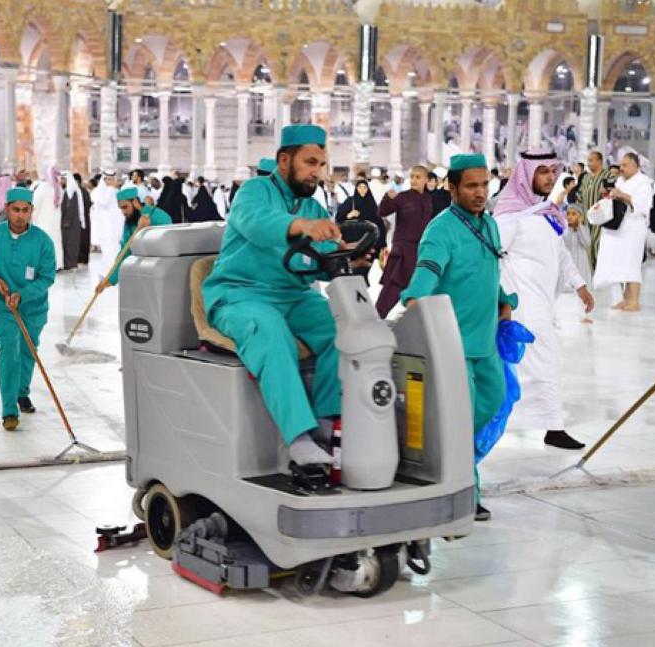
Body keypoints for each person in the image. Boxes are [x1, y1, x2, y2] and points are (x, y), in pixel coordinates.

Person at [202, 124, 365, 467]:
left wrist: (346, 257)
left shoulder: (314, 207)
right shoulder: (254, 192)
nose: (315, 173)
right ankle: (298, 437)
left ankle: (325, 422)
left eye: (320, 165)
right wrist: (302, 227)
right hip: (240, 295)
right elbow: (258, 223)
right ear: (284, 160)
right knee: (271, 332)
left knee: (345, 327)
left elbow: (318, 261)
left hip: (294, 295)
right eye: (309, 163)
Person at [400, 153, 518, 521]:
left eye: (484, 185)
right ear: (451, 188)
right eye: (471, 186)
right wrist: (415, 299)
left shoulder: (489, 225)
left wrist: (503, 302)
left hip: (484, 341)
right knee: (460, 417)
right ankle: (467, 492)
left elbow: (491, 269)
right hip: (452, 348)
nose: (480, 193)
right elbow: (426, 274)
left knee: (492, 403)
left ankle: (452, 469)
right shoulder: (441, 230)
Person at [494, 151, 594, 451]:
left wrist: (580, 285)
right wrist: (504, 302)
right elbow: (493, 258)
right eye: (543, 172)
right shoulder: (509, 216)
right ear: (527, 176)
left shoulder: (546, 212)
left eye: (554, 170)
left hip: (544, 302)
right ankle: (544, 425)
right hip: (521, 305)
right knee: (532, 366)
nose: (551, 177)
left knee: (543, 364)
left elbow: (560, 253)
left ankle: (551, 425)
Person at [0, 187, 56, 431]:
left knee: (28, 352)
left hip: (34, 308)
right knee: (9, 351)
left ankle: (22, 392)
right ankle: (9, 409)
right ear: (6, 210)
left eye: (25, 210)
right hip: (3, 306)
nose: (20, 216)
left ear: (31, 211)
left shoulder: (43, 241)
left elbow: (47, 277)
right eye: (16, 210)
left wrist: (24, 295)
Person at [592, 152, 653, 311]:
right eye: (621, 165)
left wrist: (621, 195)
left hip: (633, 228)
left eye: (625, 165)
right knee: (618, 263)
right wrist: (608, 194)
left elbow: (641, 207)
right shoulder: (619, 181)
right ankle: (624, 299)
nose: (622, 168)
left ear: (636, 166)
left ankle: (634, 300)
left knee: (631, 263)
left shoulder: (644, 183)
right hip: (617, 228)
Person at [375, 165, 435, 318]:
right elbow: (382, 212)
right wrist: (388, 197)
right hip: (402, 251)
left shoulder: (428, 199)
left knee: (419, 288)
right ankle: (375, 320)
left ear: (426, 180)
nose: (414, 180)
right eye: (412, 176)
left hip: (420, 251)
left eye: (418, 177)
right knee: (392, 289)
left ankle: (416, 326)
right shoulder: (402, 197)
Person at [105, 187, 173, 289]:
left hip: (161, 270)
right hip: (140, 270)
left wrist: (144, 230)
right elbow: (125, 251)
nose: (123, 212)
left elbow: (168, 246)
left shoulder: (159, 216)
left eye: (125, 207)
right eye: (121, 208)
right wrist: (109, 280)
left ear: (135, 202)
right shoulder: (130, 222)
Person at [576, 151, 613, 270]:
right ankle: (590, 272)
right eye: (588, 160)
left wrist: (607, 191)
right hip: (587, 219)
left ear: (600, 161)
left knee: (598, 245)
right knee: (587, 245)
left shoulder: (608, 176)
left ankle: (601, 271)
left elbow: (615, 192)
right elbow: (580, 195)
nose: (589, 163)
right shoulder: (586, 178)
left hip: (601, 219)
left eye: (591, 160)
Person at [89, 170, 124, 273]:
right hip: (104, 224)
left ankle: (113, 269)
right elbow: (102, 202)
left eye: (111, 179)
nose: (109, 181)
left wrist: (112, 188)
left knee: (113, 247)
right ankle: (109, 270)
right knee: (107, 248)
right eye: (107, 179)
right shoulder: (101, 191)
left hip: (114, 224)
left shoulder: (114, 190)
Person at [32, 167, 64, 270]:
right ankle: (57, 264)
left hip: (44, 220)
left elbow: (34, 204)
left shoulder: (43, 188)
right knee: (56, 242)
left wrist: (34, 218)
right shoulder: (58, 189)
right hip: (55, 221)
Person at [563, 204, 593, 294]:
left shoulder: (584, 229)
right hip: (569, 261)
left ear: (580, 216)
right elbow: (566, 243)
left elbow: (587, 243)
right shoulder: (564, 230)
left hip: (581, 263)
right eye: (568, 214)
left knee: (581, 287)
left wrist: (579, 226)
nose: (570, 216)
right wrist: (569, 228)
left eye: (573, 214)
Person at [59, 172, 85, 271]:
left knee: (71, 244)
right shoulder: (69, 191)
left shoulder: (71, 192)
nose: (62, 181)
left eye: (63, 179)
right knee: (69, 244)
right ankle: (69, 263)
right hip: (70, 223)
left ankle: (71, 264)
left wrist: (66, 221)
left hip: (70, 223)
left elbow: (71, 208)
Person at [76, 173, 92, 265]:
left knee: (82, 239)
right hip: (85, 219)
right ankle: (83, 259)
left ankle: (81, 259)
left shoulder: (79, 192)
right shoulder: (84, 191)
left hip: (81, 220)